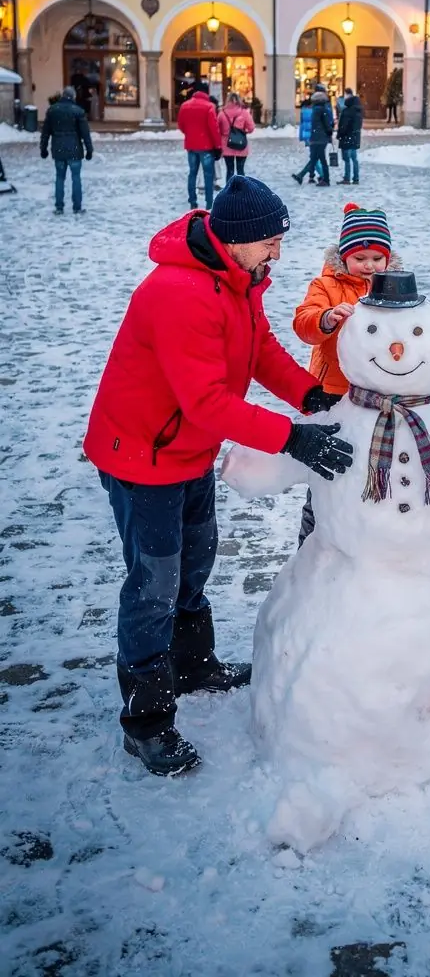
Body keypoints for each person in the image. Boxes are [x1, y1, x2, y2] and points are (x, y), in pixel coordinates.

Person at [83, 175, 352, 776]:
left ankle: (194, 665)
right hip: (141, 455)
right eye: (271, 242)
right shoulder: (179, 294)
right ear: (236, 239)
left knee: (194, 561)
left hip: (186, 450)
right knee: (154, 583)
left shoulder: (240, 280)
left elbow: (259, 354)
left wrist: (309, 397)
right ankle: (147, 722)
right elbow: (206, 400)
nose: (278, 252)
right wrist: (292, 439)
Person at [293, 203, 394, 547]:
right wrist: (326, 318)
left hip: (379, 396)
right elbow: (304, 323)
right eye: (360, 258)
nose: (369, 266)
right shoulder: (325, 284)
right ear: (344, 257)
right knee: (327, 474)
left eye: (377, 258)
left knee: (370, 468)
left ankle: (364, 542)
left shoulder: (393, 286)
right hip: (334, 393)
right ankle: (310, 545)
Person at [40, 84, 93, 215]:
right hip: (74, 149)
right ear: (73, 97)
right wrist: (89, 150)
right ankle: (77, 207)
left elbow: (45, 132)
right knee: (76, 178)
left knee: (59, 178)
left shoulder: (53, 111)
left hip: (58, 150)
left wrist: (43, 148)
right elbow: (85, 133)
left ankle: (59, 207)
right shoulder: (78, 111)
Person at [177, 82, 221, 211]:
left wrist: (190, 134)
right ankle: (209, 202)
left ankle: (193, 201)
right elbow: (214, 128)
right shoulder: (209, 107)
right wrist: (217, 146)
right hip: (206, 146)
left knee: (192, 173)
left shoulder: (185, 106)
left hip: (191, 145)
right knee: (208, 174)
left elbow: (181, 125)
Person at [293, 83, 334, 186]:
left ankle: (324, 179)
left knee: (318, 159)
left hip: (318, 138)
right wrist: (328, 133)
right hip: (319, 137)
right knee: (316, 159)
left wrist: (327, 132)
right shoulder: (322, 108)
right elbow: (327, 123)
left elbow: (323, 124)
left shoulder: (317, 109)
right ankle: (305, 176)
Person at [218, 91, 255, 180]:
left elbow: (217, 129)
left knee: (229, 170)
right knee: (240, 170)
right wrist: (243, 130)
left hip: (227, 145)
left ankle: (229, 192)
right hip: (241, 144)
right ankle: (241, 191)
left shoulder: (222, 113)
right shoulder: (244, 112)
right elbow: (251, 128)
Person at [337, 87, 364, 185]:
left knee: (347, 159)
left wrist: (340, 134)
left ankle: (347, 178)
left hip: (347, 138)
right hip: (355, 137)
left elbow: (344, 126)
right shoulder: (358, 110)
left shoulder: (347, 111)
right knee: (354, 158)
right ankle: (356, 178)